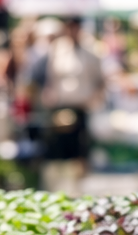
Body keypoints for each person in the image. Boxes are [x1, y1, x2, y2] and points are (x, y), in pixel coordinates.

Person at [29, 17, 105, 192]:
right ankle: (60, 188)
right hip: (60, 107)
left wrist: (93, 99)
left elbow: (100, 81)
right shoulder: (57, 49)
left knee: (80, 149)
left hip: (81, 107)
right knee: (59, 149)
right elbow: (48, 77)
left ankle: (79, 188)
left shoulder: (91, 51)